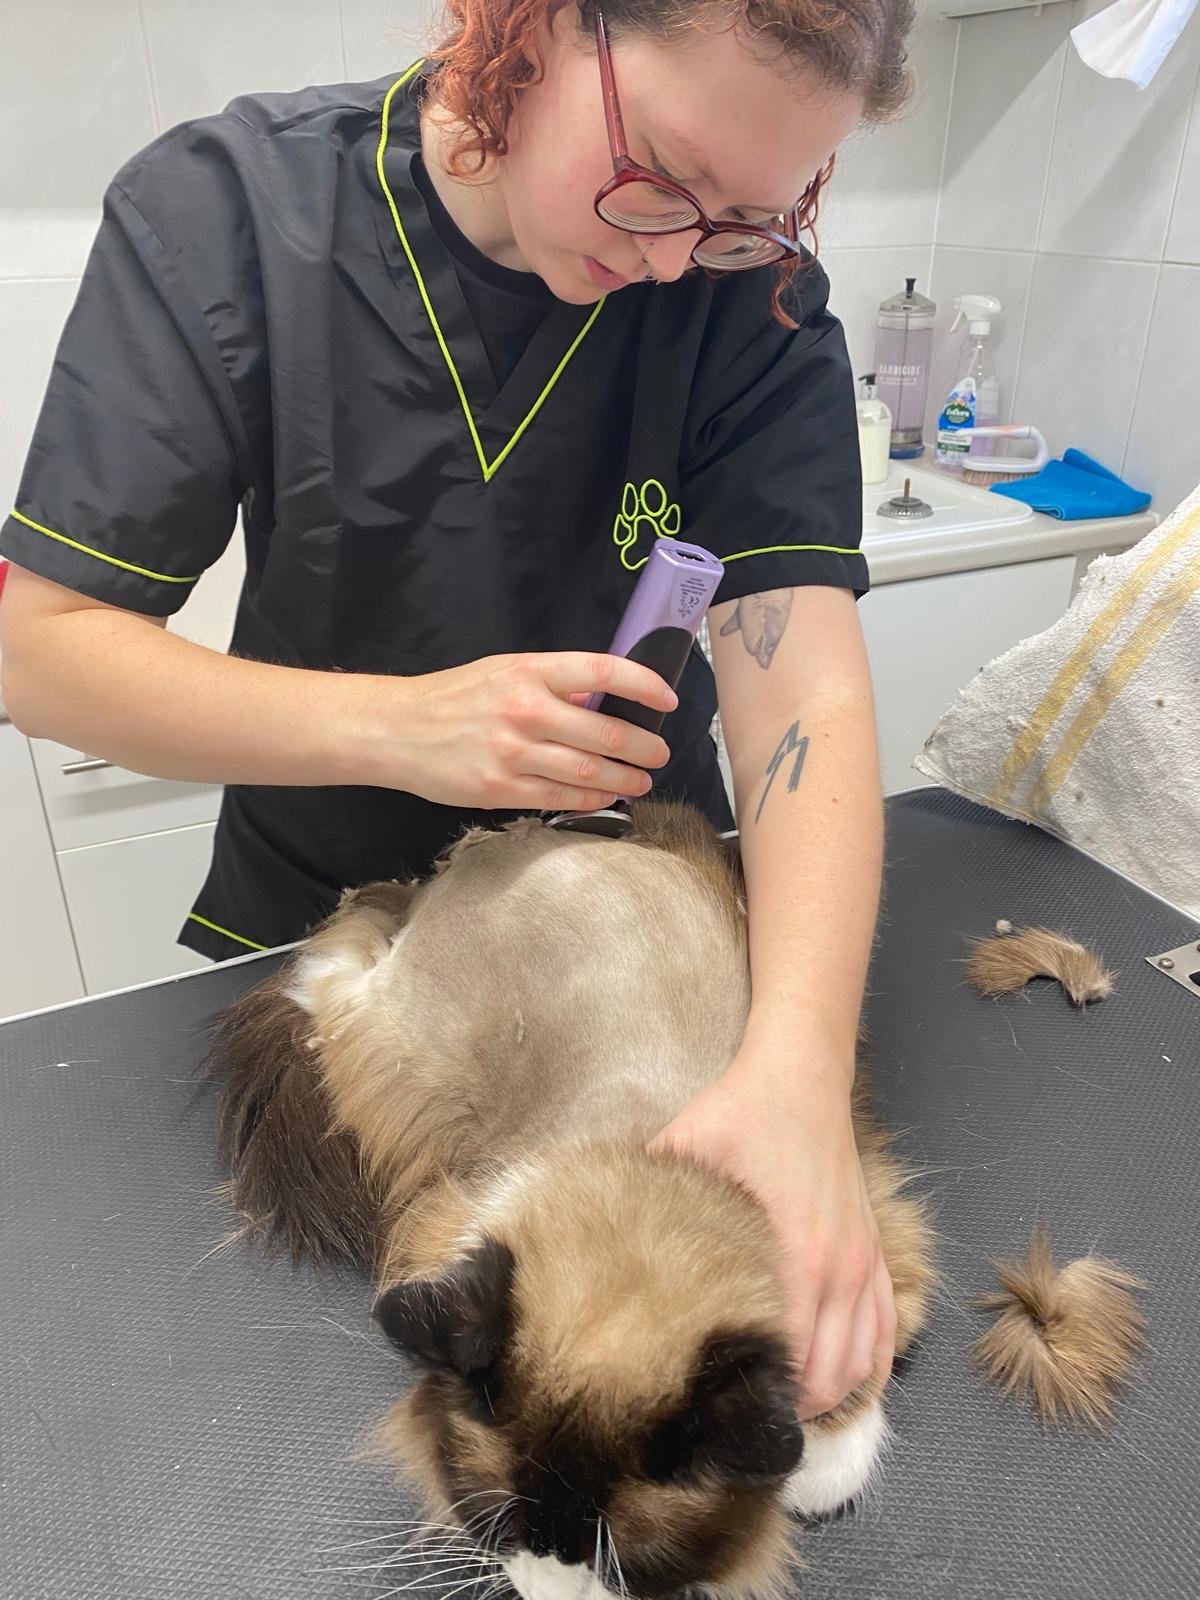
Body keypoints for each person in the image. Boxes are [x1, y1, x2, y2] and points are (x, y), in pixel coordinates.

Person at [0, 0, 913, 1420]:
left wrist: (797, 1070)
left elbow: (802, 674)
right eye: (659, 176)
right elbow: (38, 651)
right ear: (525, 28)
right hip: (336, 955)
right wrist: (400, 727)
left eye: (749, 213)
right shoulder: (231, 215)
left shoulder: (749, 296)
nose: (676, 258)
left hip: (640, 969)